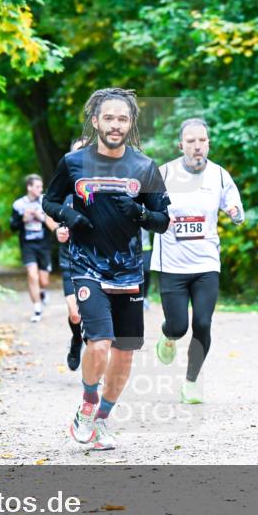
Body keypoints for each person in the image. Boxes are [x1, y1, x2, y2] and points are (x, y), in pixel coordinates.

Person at [42, 88, 171, 451]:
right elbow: (49, 200)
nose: (115, 125)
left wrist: (142, 214)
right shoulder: (73, 163)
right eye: (109, 118)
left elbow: (163, 220)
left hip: (129, 272)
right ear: (96, 121)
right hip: (87, 266)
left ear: (130, 124)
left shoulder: (145, 167)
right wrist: (68, 215)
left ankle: (101, 421)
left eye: (123, 119)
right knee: (98, 344)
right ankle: (86, 406)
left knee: (125, 352)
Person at [151, 118, 244, 404]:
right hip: (172, 265)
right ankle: (168, 336)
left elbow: (239, 211)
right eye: (190, 141)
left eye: (202, 140)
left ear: (208, 143)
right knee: (178, 326)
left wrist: (234, 212)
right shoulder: (164, 173)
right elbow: (145, 213)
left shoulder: (219, 175)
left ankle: (191, 382)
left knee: (203, 323)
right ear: (181, 145)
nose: (197, 146)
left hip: (206, 264)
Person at [49, 138, 88, 371]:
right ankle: (76, 340)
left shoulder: (103, 184)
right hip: (70, 258)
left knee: (96, 316)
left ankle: (95, 358)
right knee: (75, 314)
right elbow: (48, 207)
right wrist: (57, 230)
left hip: (97, 259)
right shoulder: (64, 184)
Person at [11, 174, 52, 323]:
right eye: (37, 187)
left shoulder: (45, 202)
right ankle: (37, 309)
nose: (40, 190)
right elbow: (12, 226)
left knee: (44, 280)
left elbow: (52, 222)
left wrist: (39, 216)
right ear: (29, 187)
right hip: (28, 245)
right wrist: (23, 219)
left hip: (44, 245)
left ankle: (42, 291)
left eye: (41, 187)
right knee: (32, 275)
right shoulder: (19, 205)